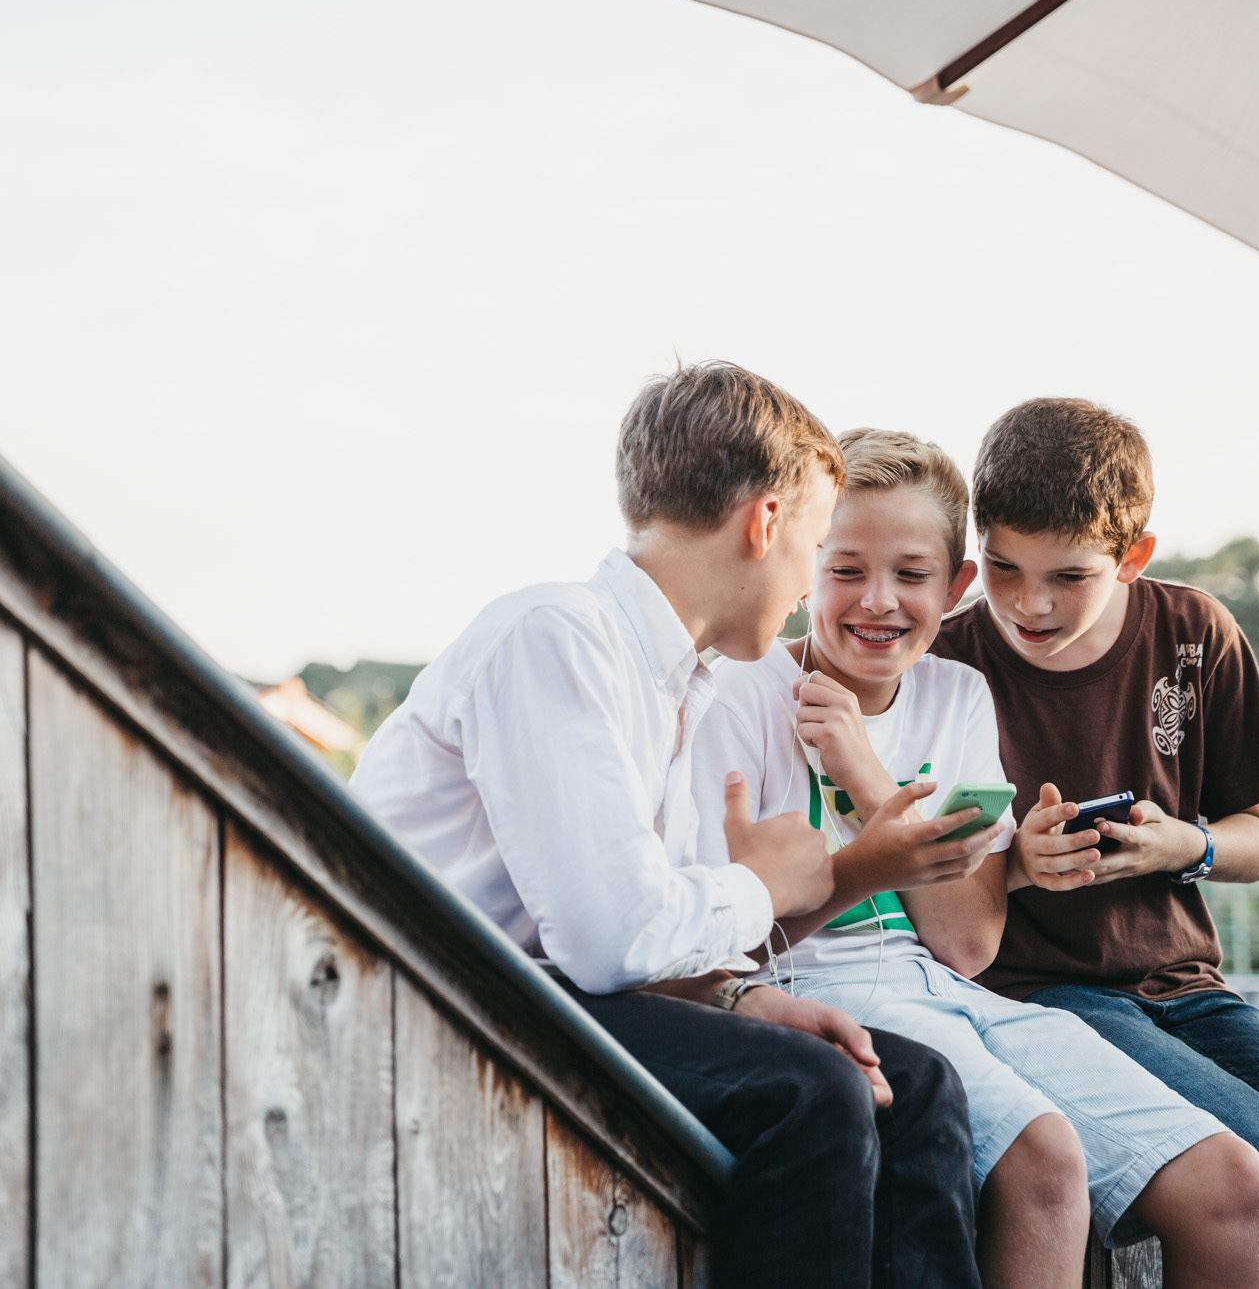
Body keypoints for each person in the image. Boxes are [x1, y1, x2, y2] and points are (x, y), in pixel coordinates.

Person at [351, 361, 983, 1288]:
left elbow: (665, 935)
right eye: (815, 547)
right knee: (812, 1094)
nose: (810, 588)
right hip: (440, 999)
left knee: (916, 1087)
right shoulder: (554, 636)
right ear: (765, 524)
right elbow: (612, 937)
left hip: (552, 995)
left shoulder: (681, 684)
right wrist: (767, 880)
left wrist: (746, 997)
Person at [693, 427, 1259, 1289]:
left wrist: (861, 769)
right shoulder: (739, 692)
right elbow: (728, 936)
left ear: (955, 586)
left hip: (950, 987)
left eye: (912, 575)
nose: (878, 601)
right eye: (845, 569)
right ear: (803, 564)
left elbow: (967, 945)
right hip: (812, 983)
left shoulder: (957, 694)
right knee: (1045, 1163)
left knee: (1233, 1183)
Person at [931, 397, 1259, 1287]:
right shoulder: (945, 659)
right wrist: (1021, 868)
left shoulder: (1195, 634)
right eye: (1002, 566)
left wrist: (1181, 846)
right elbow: (930, 894)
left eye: (1069, 577)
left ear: (1135, 556)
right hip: (1042, 993)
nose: (1029, 602)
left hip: (1188, 985)